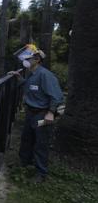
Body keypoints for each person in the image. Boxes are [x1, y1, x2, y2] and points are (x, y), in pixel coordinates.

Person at [9, 46, 64, 183]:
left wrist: (51, 113)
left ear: (37, 59)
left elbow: (56, 96)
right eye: (24, 58)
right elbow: (29, 87)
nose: (24, 61)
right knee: (27, 138)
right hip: (31, 113)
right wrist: (18, 77)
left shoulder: (45, 75)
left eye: (27, 58)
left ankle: (41, 173)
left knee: (41, 142)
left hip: (42, 114)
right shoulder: (31, 74)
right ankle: (24, 163)